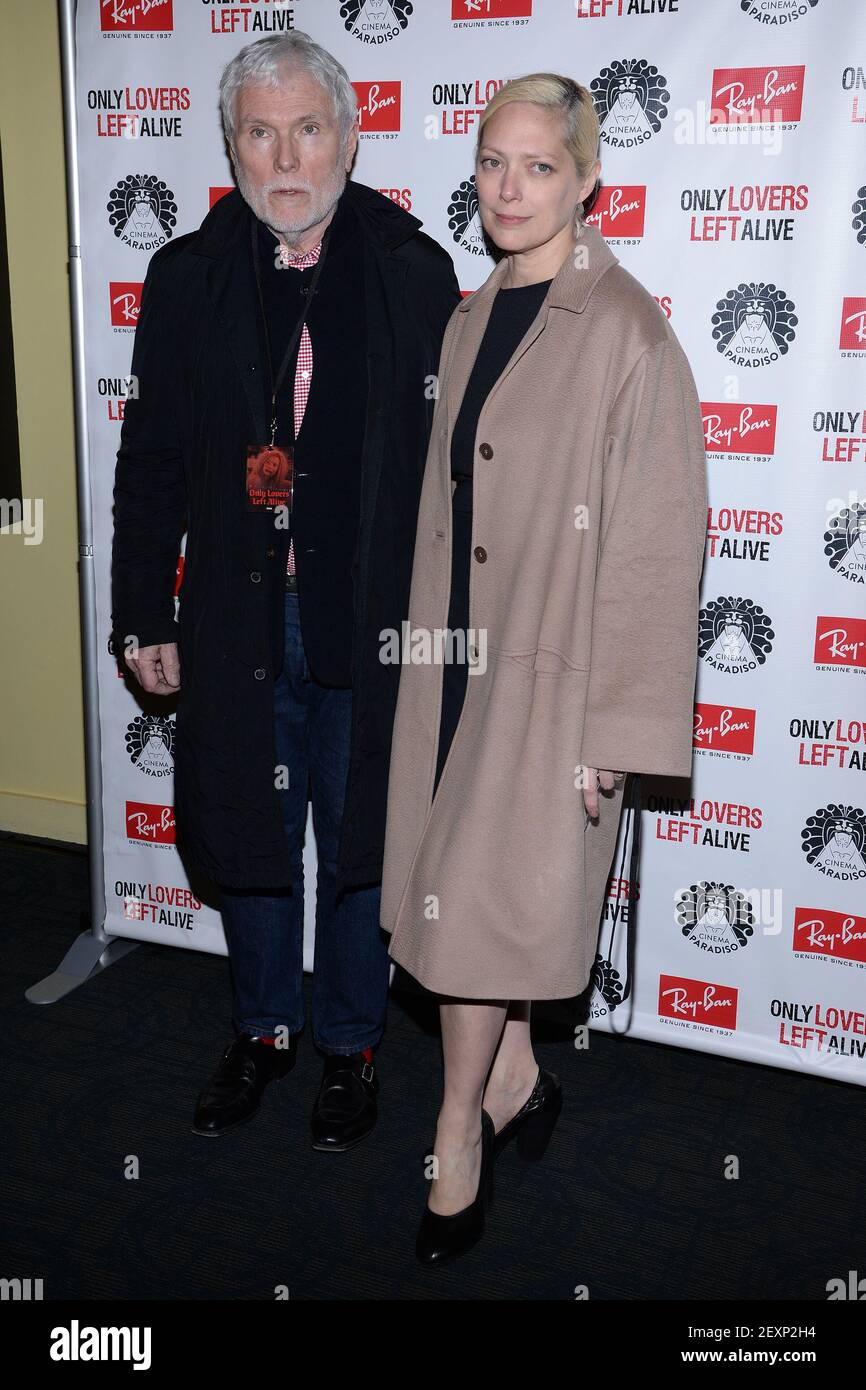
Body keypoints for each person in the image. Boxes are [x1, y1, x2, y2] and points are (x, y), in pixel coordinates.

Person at [379, 73, 708, 1261]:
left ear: (585, 181)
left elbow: (658, 547)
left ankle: (455, 1132)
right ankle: (515, 1073)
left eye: (536, 167)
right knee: (482, 906)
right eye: (488, 165)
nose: (507, 189)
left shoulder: (624, 330)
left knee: (470, 915)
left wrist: (612, 736)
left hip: (550, 682)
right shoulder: (472, 315)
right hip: (458, 660)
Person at [111, 32, 460, 1149]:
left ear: (349, 138)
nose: (285, 155)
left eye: (307, 127)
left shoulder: (413, 270)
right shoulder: (187, 276)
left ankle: (349, 1045)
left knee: (361, 835)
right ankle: (262, 1029)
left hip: (372, 617)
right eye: (259, 132)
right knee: (253, 828)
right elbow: (152, 456)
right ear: (231, 145)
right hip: (235, 616)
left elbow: (454, 473)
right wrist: (141, 611)